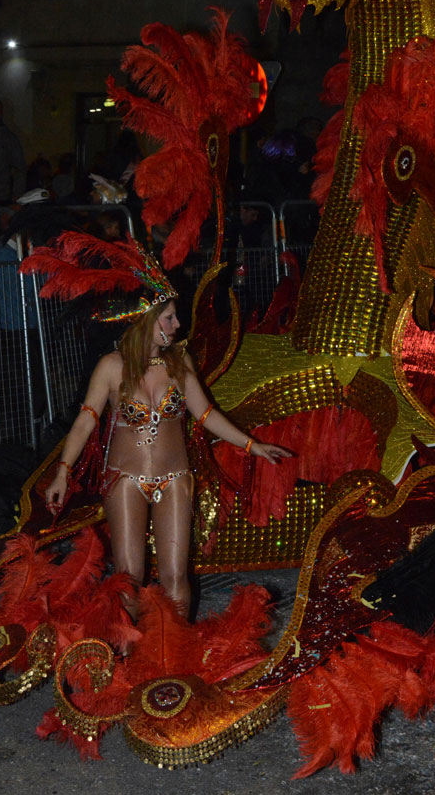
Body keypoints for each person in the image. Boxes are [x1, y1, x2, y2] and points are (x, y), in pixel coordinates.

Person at [25, 234, 291, 619]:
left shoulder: (179, 364)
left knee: (175, 575)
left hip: (175, 477)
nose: (178, 324)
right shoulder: (111, 367)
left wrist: (252, 445)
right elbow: (84, 422)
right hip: (125, 479)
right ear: (147, 321)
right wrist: (63, 473)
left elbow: (206, 414)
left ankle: (174, 646)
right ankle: (132, 647)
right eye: (169, 317)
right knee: (128, 577)